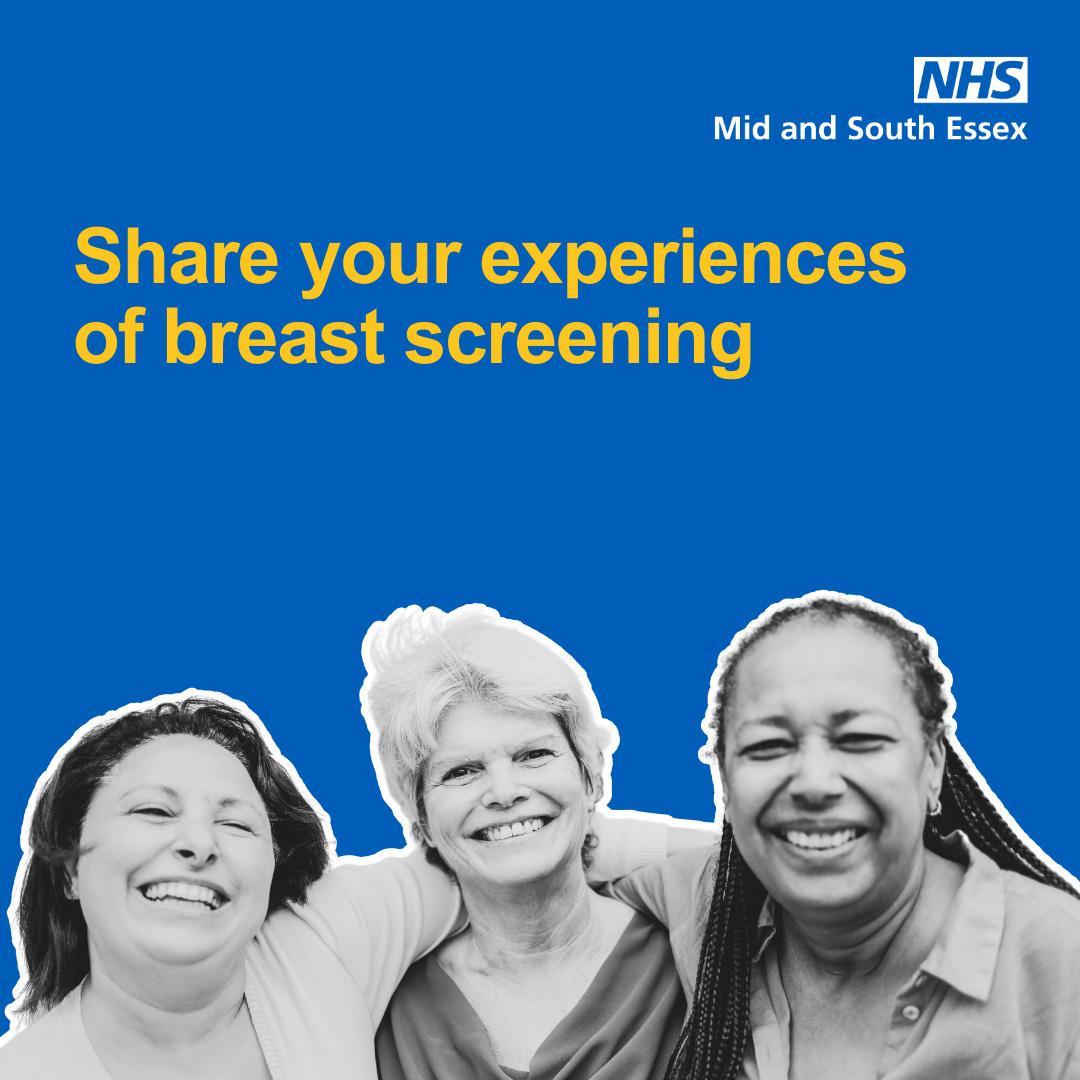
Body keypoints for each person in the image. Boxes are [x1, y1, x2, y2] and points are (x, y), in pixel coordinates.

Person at [1, 686, 696, 1078]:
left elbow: (508, 851)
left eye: (236, 825)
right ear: (68, 866)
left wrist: (573, 821)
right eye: (153, 811)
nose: (196, 845)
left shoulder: (324, 941)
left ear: (274, 870)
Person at [610, 592, 1080, 1080]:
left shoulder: (1062, 963)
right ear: (725, 782)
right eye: (768, 746)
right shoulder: (710, 903)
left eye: (861, 740)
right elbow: (574, 850)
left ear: (933, 765)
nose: (814, 783)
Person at [364, 604, 694, 1080]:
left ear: (590, 776)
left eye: (534, 754)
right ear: (422, 819)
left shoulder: (695, 950)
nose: (504, 792)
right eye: (461, 772)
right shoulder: (382, 1007)